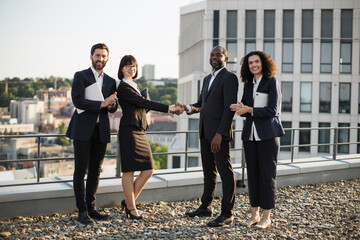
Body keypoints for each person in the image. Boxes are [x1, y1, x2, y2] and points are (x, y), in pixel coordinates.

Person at [116, 55, 182, 220]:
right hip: (129, 131)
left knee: (149, 169)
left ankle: (127, 202)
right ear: (122, 68)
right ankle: (131, 208)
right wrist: (168, 108)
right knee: (129, 170)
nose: (132, 69)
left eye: (134, 66)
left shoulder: (135, 86)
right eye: (129, 66)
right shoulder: (123, 87)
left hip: (140, 130)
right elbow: (142, 104)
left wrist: (146, 104)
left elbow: (141, 108)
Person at [182, 46, 238, 227]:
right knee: (208, 172)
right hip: (204, 133)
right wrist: (188, 108)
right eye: (212, 55)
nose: (214, 57)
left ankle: (227, 213)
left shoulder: (230, 78)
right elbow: (201, 104)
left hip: (218, 135)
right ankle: (206, 206)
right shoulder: (207, 79)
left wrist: (219, 134)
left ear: (226, 58)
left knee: (225, 172)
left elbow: (229, 109)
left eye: (218, 54)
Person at [230, 51, 284, 229]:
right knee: (252, 176)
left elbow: (273, 110)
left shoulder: (271, 82)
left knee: (267, 176)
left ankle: (267, 217)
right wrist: (240, 107)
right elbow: (246, 106)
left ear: (264, 63)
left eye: (256, 62)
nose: (253, 65)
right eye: (250, 63)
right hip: (250, 136)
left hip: (268, 135)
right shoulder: (247, 84)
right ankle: (254, 214)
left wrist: (249, 110)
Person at [66, 43, 118, 225]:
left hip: (100, 131)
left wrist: (111, 104)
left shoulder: (111, 81)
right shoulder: (80, 76)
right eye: (98, 55)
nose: (100, 59)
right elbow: (77, 101)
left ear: (107, 58)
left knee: (96, 170)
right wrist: (101, 104)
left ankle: (91, 207)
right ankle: (81, 211)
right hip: (82, 129)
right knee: (81, 170)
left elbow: (113, 108)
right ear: (91, 56)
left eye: (104, 56)